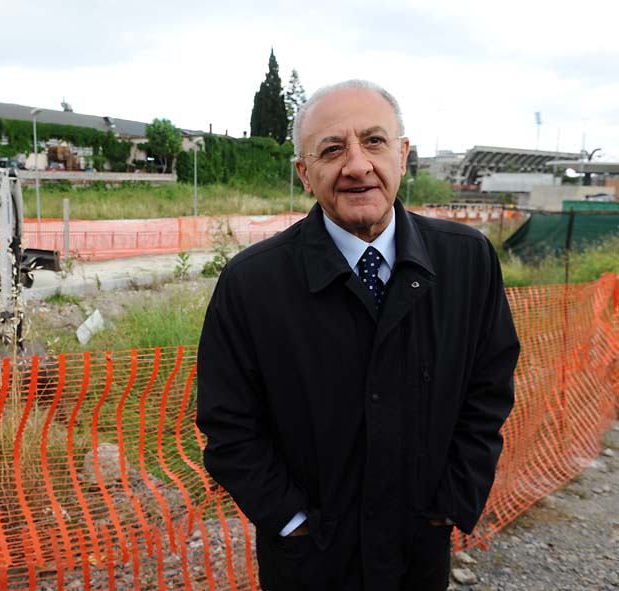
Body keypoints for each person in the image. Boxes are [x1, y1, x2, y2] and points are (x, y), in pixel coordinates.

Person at [196, 80, 520, 591]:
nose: (357, 165)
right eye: (331, 149)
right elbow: (228, 423)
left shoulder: (467, 260)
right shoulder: (252, 283)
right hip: (308, 562)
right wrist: (291, 522)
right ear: (304, 174)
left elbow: (488, 391)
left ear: (403, 155)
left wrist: (450, 504)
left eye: (374, 141)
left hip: (419, 552)